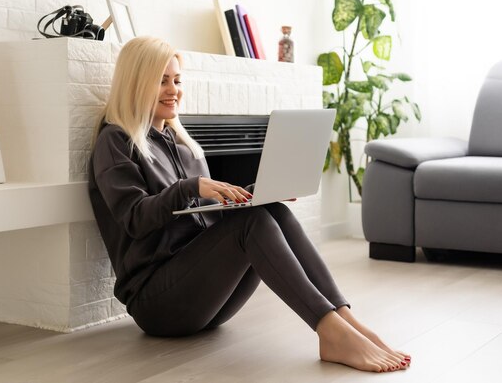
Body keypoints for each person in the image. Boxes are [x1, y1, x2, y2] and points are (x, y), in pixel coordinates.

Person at [88, 36, 411, 373]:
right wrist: (191, 187)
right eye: (162, 80)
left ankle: (344, 319)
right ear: (136, 83)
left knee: (272, 211)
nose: (174, 90)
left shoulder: (181, 144)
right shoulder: (115, 141)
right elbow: (135, 218)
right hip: (158, 304)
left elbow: (204, 224)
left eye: (177, 80)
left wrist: (254, 193)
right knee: (251, 225)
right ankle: (330, 331)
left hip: (203, 298)